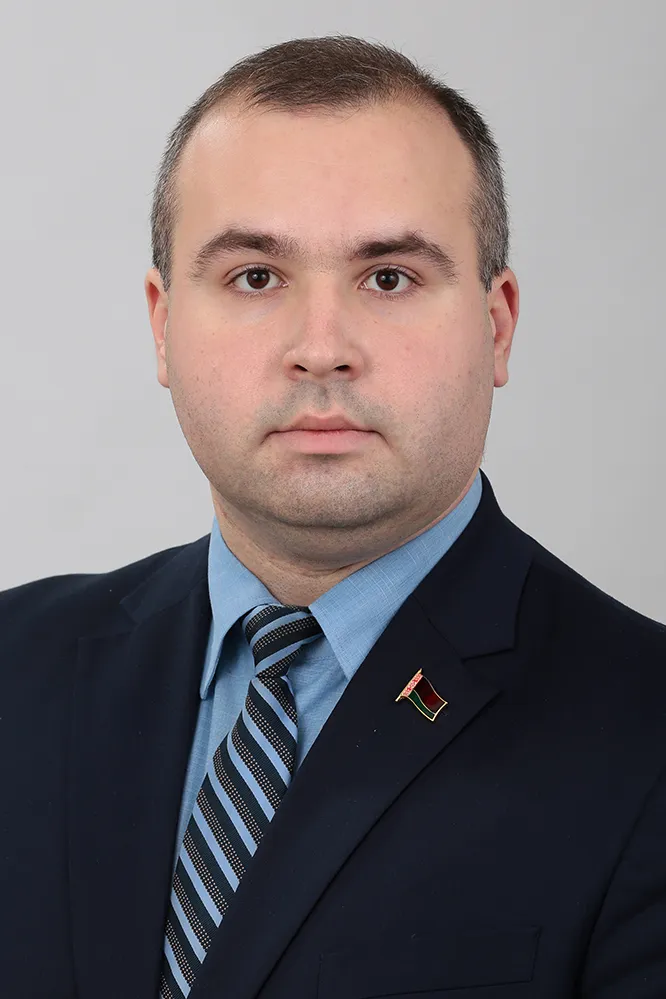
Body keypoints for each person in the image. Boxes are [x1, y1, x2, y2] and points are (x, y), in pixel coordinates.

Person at [1, 33, 665, 999]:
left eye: (388, 276)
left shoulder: (645, 735)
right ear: (162, 324)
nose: (321, 348)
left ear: (497, 324)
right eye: (255, 276)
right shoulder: (15, 669)